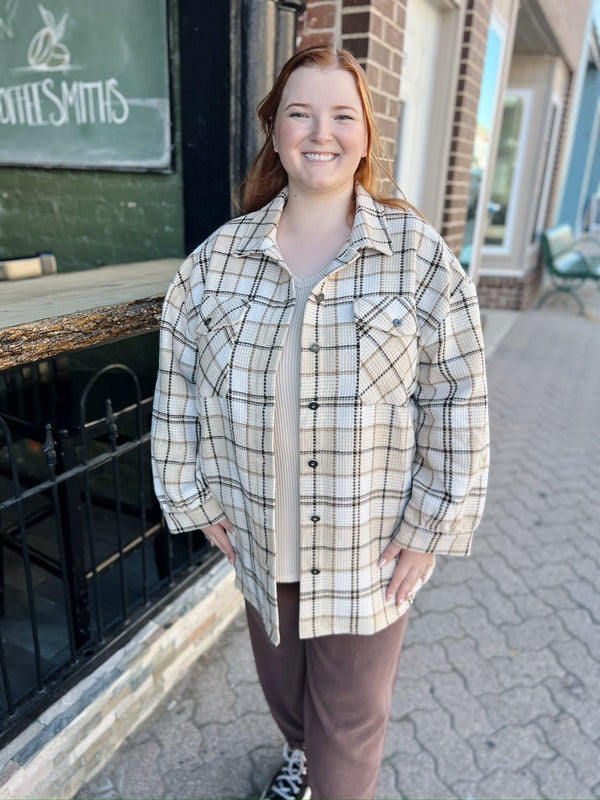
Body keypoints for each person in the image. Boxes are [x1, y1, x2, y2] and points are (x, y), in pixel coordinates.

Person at [151, 45, 489, 800]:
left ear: (367, 135)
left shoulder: (418, 261)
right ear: (275, 133)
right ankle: (301, 758)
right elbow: (177, 387)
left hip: (367, 540)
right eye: (300, 113)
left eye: (342, 115)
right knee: (287, 690)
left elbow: (457, 397)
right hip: (262, 534)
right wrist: (197, 498)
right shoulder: (217, 265)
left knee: (351, 719)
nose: (320, 132)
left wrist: (429, 527)